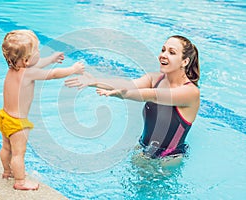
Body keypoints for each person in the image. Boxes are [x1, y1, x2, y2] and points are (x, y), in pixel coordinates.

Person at [65, 35, 200, 162]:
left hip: (168, 157)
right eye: (163, 50)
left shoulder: (190, 92)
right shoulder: (155, 79)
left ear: (185, 61)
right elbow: (128, 85)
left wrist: (125, 95)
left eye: (171, 52)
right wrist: (95, 82)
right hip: (143, 148)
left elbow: (154, 95)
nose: (163, 55)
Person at [0, 30, 84, 190]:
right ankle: (20, 181)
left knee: (6, 147)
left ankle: (6, 171)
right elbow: (53, 74)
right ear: (25, 60)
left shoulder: (14, 69)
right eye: (37, 51)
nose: (39, 53)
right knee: (18, 153)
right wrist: (73, 69)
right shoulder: (28, 73)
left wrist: (51, 59)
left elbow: (35, 64)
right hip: (17, 123)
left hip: (4, 117)